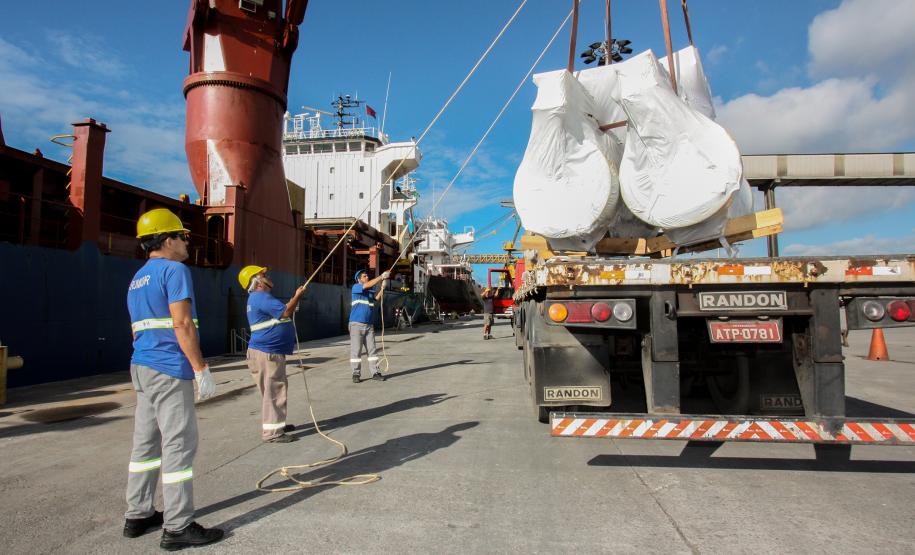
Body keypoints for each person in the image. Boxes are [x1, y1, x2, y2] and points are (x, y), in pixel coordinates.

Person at [123, 208, 224, 550]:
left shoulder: (138, 278)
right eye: (183, 237)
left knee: (145, 445)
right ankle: (178, 526)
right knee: (178, 444)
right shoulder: (175, 270)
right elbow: (182, 324)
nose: (186, 243)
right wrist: (200, 369)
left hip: (142, 365)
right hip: (168, 366)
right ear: (168, 240)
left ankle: (137, 514)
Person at [238, 265, 307, 443]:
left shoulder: (256, 298)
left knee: (271, 390)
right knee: (274, 390)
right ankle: (273, 433)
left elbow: (280, 313)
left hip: (264, 352)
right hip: (268, 353)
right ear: (257, 282)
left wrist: (293, 300)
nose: (268, 276)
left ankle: (277, 424)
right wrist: (298, 296)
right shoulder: (262, 296)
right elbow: (285, 312)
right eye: (263, 275)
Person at [349, 269, 389, 382]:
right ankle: (356, 374)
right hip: (356, 324)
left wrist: (382, 288)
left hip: (369, 325)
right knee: (356, 351)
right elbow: (368, 284)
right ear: (359, 279)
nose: (367, 277)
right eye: (364, 276)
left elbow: (376, 298)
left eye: (367, 276)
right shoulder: (356, 287)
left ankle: (375, 372)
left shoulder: (369, 291)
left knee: (372, 351)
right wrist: (381, 276)